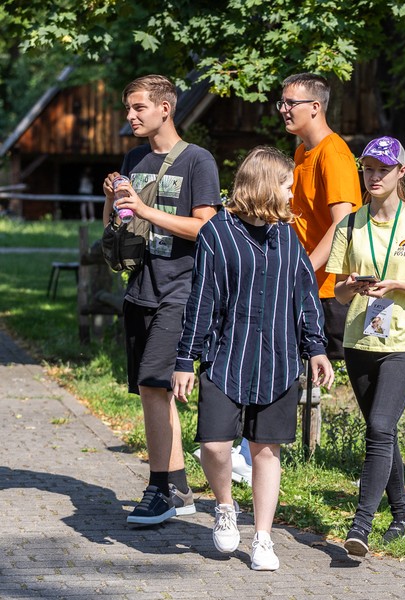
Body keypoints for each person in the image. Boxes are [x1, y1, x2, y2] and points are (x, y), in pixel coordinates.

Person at [172, 146, 334, 571]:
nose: (290, 194)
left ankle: (263, 538)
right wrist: (185, 359)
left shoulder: (288, 235)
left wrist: (316, 348)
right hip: (226, 358)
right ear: (264, 186)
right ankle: (226, 506)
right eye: (286, 185)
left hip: (280, 360)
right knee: (214, 445)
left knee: (266, 451)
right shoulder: (216, 233)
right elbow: (200, 300)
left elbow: (305, 296)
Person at [229, 72, 364, 482]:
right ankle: (252, 451)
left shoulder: (333, 154)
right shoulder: (302, 151)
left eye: (291, 102)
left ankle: (376, 466)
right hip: (300, 280)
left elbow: (344, 223)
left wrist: (300, 270)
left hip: (326, 287)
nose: (284, 109)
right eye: (282, 102)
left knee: (356, 380)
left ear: (315, 107)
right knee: (277, 361)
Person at [102, 74, 221, 525]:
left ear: (165, 108)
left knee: (155, 383)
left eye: (138, 108)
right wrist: (113, 199)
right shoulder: (133, 158)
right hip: (140, 286)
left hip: (181, 288)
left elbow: (207, 228)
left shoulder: (197, 161)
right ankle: (178, 487)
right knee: (153, 391)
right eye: (128, 109)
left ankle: (160, 488)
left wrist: (148, 210)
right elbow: (119, 229)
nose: (129, 116)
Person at [327, 136, 405, 556]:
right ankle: (402, 516)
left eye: (383, 169)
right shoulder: (350, 224)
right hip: (360, 338)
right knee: (382, 431)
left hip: (404, 340)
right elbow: (338, 293)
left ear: (401, 172)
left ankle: (360, 525)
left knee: (380, 427)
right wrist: (354, 285)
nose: (374, 176)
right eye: (368, 169)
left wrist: (398, 284)